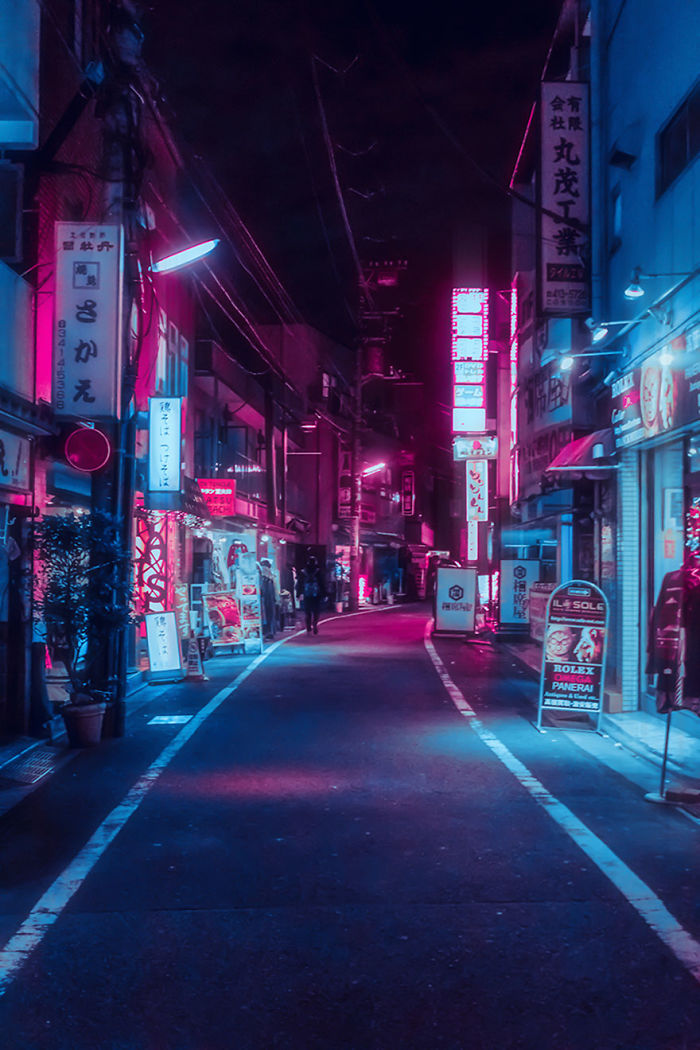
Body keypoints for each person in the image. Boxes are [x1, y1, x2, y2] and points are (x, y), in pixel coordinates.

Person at [296, 554, 326, 634]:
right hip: (316, 594)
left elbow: (299, 583)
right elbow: (322, 583)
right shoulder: (318, 571)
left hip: (306, 594)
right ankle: (315, 625)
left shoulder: (303, 572)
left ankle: (308, 626)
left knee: (307, 611)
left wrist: (298, 594)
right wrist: (324, 594)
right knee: (316, 611)